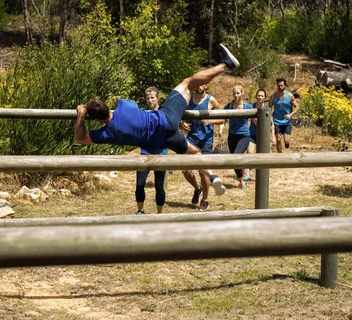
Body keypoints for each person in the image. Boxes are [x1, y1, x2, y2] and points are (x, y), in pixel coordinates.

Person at [75, 44, 239, 170]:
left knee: (194, 153)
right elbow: (131, 106)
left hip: (159, 139)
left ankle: (210, 178)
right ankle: (225, 65)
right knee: (187, 83)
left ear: (96, 119)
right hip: (165, 120)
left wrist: (81, 116)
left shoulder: (108, 133)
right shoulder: (123, 105)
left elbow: (80, 138)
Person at [182, 84, 225, 212]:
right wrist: (183, 123)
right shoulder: (188, 99)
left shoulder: (211, 100)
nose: (199, 86)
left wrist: (211, 121)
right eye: (197, 84)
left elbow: (224, 118)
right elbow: (181, 114)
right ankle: (197, 188)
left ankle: (205, 200)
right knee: (185, 170)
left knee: (203, 171)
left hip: (206, 140)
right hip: (191, 139)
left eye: (201, 84)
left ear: (206, 85)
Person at [135, 87, 167, 215]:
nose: (150, 100)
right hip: (145, 153)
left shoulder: (164, 113)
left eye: (152, 97)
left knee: (159, 186)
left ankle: (160, 214)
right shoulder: (143, 113)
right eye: (148, 98)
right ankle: (140, 210)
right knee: (139, 184)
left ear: (158, 98)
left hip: (161, 153)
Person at [219, 85, 253, 189]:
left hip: (244, 135)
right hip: (232, 135)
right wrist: (221, 129)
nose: (236, 95)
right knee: (233, 159)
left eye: (238, 93)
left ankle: (244, 168)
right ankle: (241, 181)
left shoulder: (248, 107)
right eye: (234, 93)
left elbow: (256, 119)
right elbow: (223, 119)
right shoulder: (228, 106)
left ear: (242, 93)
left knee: (236, 155)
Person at [245, 89, 276, 180]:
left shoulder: (267, 109)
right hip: (252, 134)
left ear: (264, 98)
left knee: (262, 158)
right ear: (256, 96)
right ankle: (246, 171)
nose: (260, 97)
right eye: (258, 95)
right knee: (250, 152)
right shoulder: (251, 107)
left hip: (263, 136)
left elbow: (271, 124)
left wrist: (273, 136)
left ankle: (262, 177)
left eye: (262, 96)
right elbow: (256, 122)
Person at [269, 78, 299, 153]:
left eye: (281, 85)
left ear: (285, 86)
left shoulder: (290, 96)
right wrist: (270, 119)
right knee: (278, 139)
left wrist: (290, 115)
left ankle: (287, 143)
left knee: (286, 140)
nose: (280, 87)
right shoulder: (273, 96)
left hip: (287, 122)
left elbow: (297, 107)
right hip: (276, 121)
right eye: (278, 85)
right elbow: (269, 108)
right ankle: (280, 155)